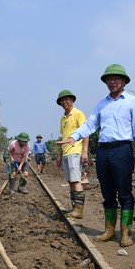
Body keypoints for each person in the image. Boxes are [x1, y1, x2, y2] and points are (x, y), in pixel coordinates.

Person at [58, 64, 135, 247]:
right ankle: (108, 230)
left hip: (122, 150)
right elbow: (90, 124)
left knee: (124, 193)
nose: (112, 82)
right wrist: (73, 137)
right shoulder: (102, 104)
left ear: (123, 81)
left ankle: (125, 233)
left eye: (116, 79)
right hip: (103, 152)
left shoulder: (132, 102)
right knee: (107, 192)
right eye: (109, 79)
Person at [55, 89, 89, 219]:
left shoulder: (78, 114)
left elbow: (85, 133)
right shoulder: (62, 119)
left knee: (76, 180)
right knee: (70, 181)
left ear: (72, 100)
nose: (64, 102)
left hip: (75, 152)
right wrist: (59, 155)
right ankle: (75, 207)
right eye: (62, 100)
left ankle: (79, 211)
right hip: (66, 153)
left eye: (67, 99)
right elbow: (63, 137)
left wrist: (84, 151)